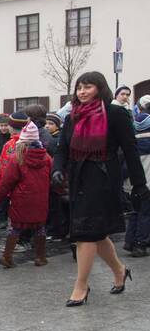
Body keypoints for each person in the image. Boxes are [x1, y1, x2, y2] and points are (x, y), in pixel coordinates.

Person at [53, 71, 149, 306]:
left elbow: (130, 149)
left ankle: (81, 285)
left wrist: (139, 184)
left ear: (100, 88)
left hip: (103, 178)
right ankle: (119, 270)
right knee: (96, 232)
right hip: (78, 178)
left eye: (88, 87)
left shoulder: (115, 113)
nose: (82, 92)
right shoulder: (72, 116)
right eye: (79, 88)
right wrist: (57, 169)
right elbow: (62, 148)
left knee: (85, 233)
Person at [0, 121, 51, 268]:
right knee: (40, 227)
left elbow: (7, 182)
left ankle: (7, 257)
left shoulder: (17, 158)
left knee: (16, 228)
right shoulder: (47, 158)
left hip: (21, 200)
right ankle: (40, 257)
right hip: (41, 200)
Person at [125, 111, 150, 256]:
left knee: (135, 212)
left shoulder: (131, 143)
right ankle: (141, 243)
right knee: (146, 214)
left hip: (134, 185)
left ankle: (129, 241)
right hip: (148, 183)